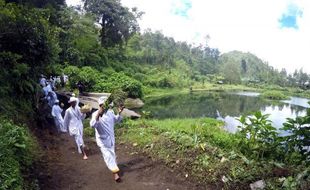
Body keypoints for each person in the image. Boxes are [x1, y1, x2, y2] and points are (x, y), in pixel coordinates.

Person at [90, 97, 124, 182]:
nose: (104, 108)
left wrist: (120, 113)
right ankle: (115, 174)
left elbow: (116, 120)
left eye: (105, 106)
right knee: (108, 156)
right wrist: (98, 114)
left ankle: (114, 167)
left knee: (112, 154)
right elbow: (93, 125)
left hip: (111, 138)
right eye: (102, 106)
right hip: (102, 140)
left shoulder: (110, 112)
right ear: (100, 106)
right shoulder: (95, 114)